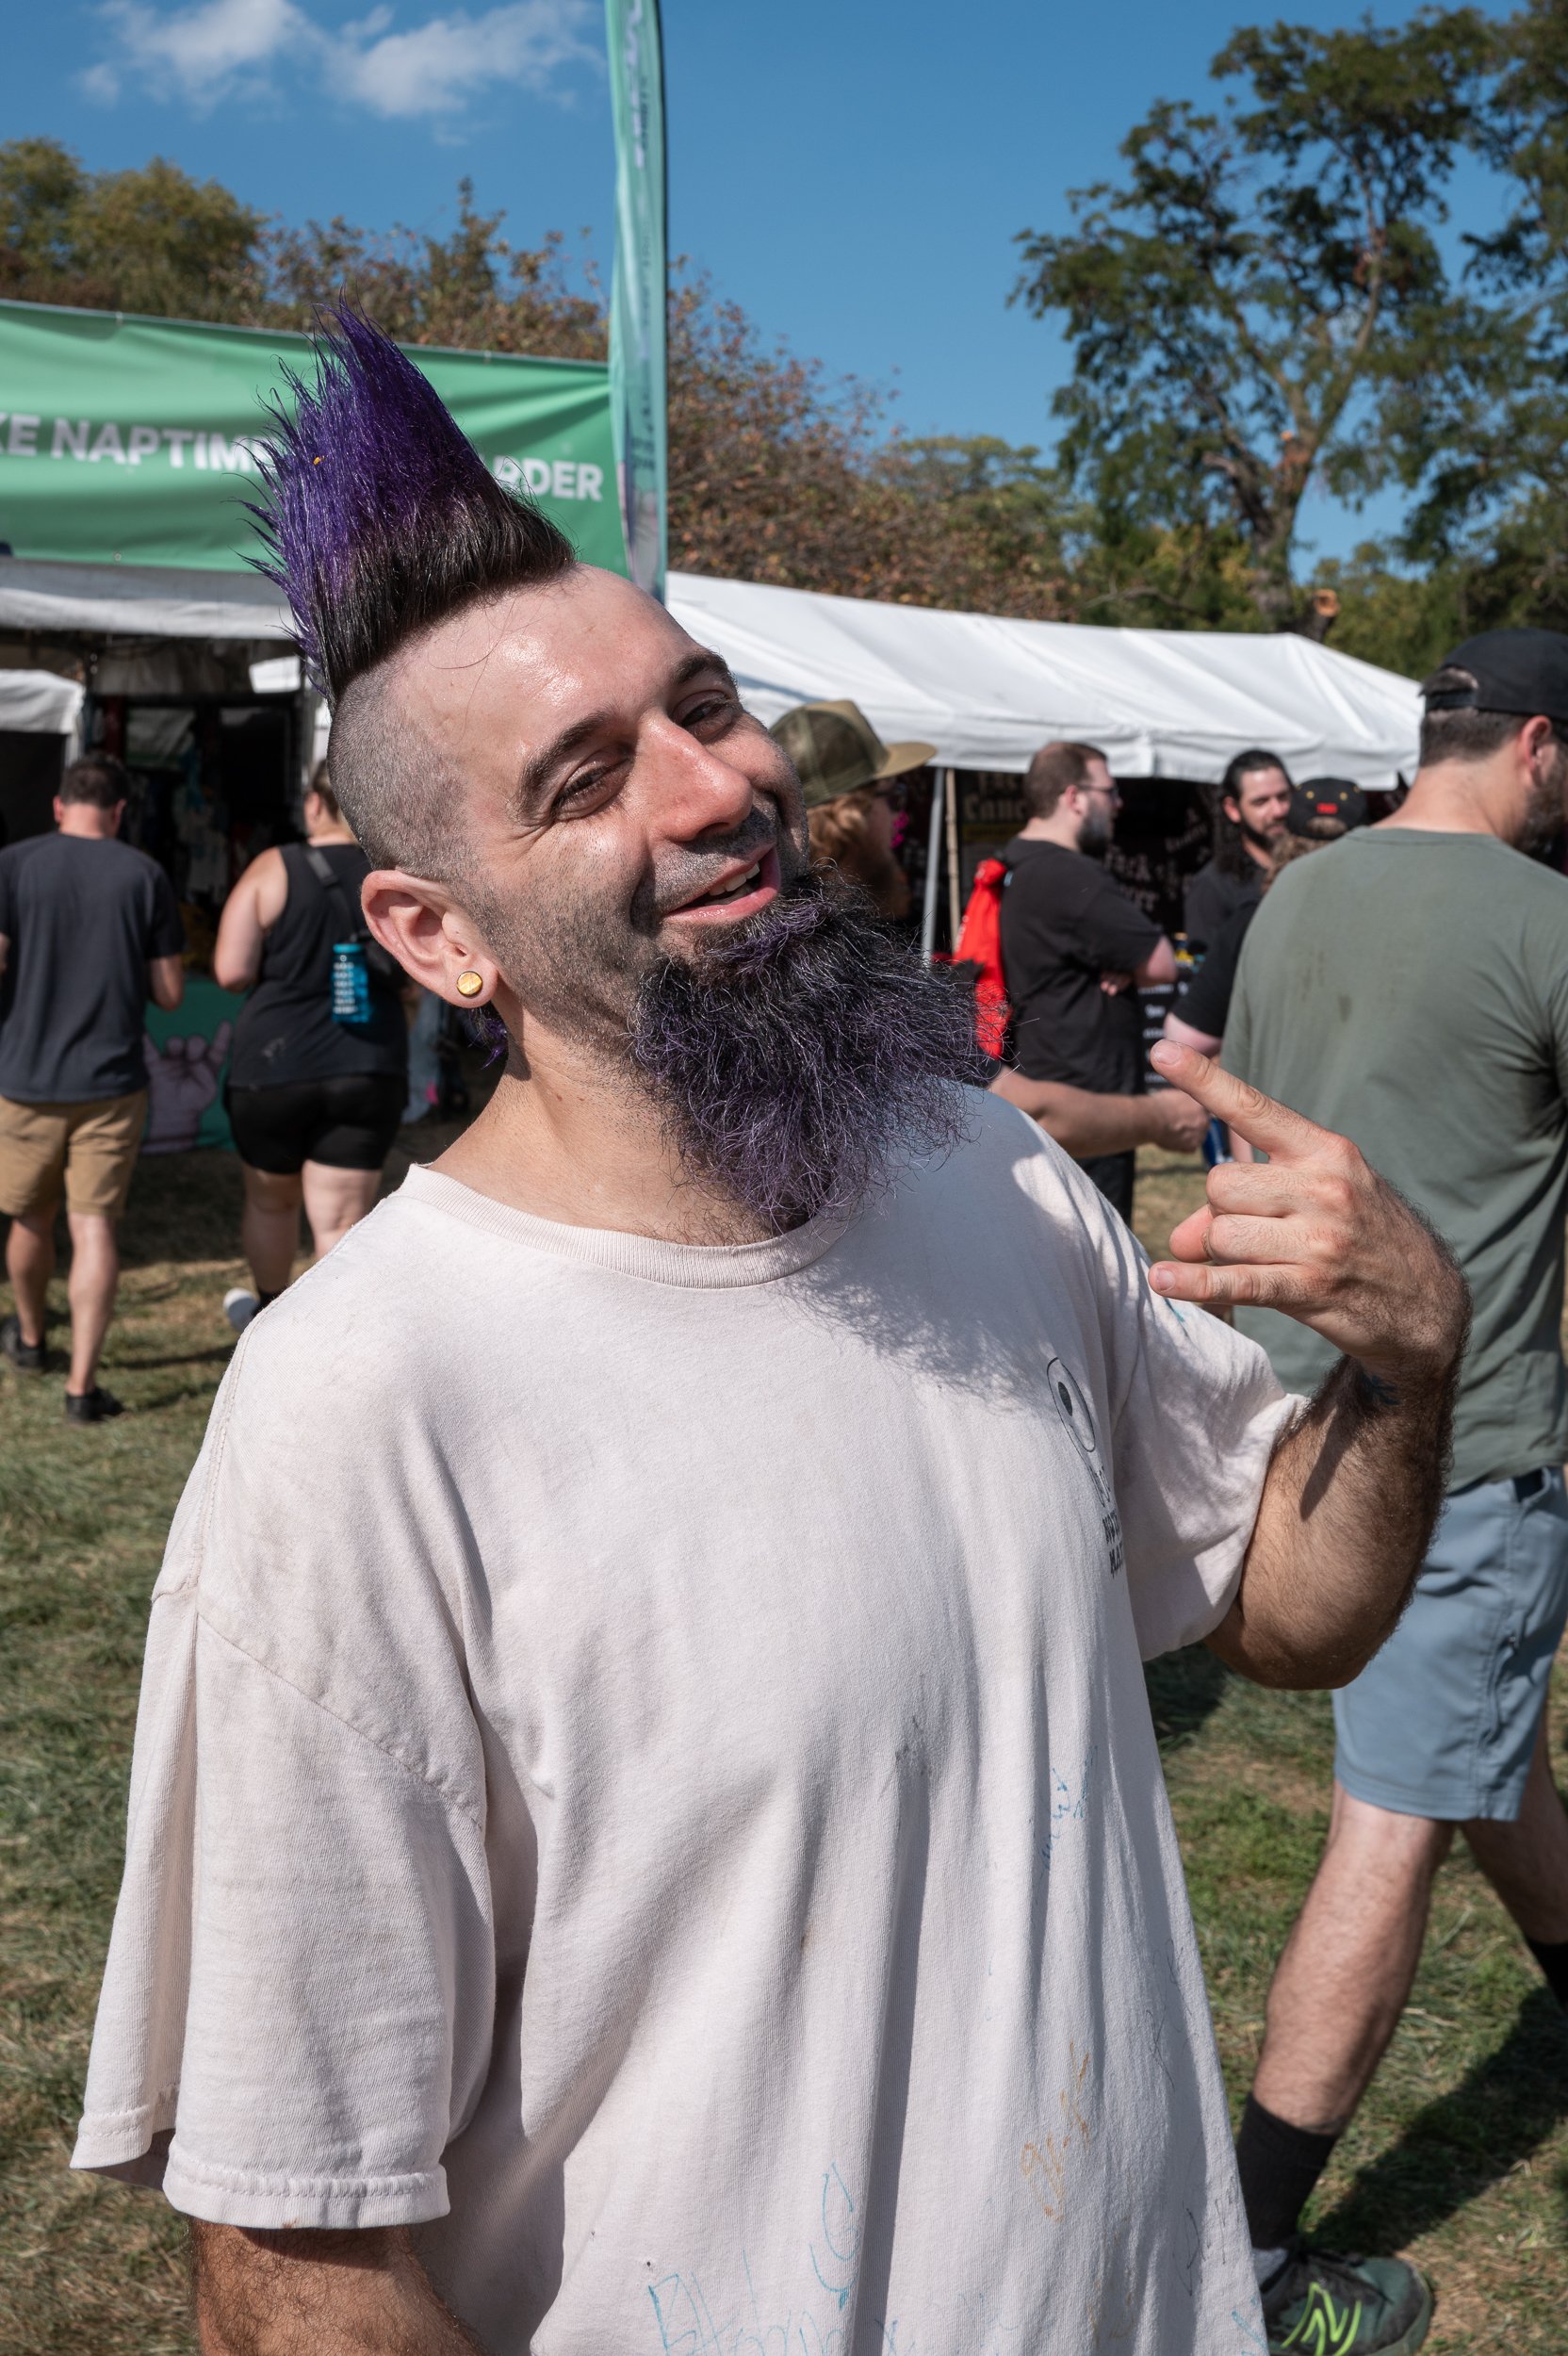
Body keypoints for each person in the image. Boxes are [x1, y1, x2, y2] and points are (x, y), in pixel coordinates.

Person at [72, 311, 1467, 2356]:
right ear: (435, 933)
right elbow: (301, 2264)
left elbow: (1278, 1597)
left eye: (702, 703)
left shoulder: (984, 1170)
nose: (720, 785)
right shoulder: (367, 1401)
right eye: (583, 778)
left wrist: (1408, 1363)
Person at [1221, 628, 1568, 2350]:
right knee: (1390, 1824)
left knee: (1472, 1754)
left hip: (1273, 1446)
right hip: (1456, 1447)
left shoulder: (1290, 894)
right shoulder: (1545, 922)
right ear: (1533, 748)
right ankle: (1244, 2261)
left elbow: (1240, 1135)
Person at [0, 751, 185, 1421]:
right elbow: (168, 993)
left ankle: (27, 1336)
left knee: (28, 1217)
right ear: (119, 811)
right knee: (94, 1227)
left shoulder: (14, 865)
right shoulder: (145, 875)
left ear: (58, 806)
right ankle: (81, 1388)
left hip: (25, 1077)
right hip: (110, 1080)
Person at [212, 762, 408, 1331]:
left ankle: (270, 1318)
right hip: (368, 1062)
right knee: (341, 1219)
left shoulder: (273, 868)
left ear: (316, 805)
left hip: (273, 1064)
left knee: (271, 1202)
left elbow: (229, 970)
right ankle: (330, 1337)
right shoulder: (390, 875)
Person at [997, 740, 1177, 1222]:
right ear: (1074, 797)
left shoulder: (1014, 861)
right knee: (1099, 1255)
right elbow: (1161, 962)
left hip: (1044, 1074)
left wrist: (1115, 957)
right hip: (1092, 1097)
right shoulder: (1070, 874)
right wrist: (1127, 960)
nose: (1118, 803)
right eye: (1110, 790)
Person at [1166, 781, 1370, 1058]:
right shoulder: (1394, 920)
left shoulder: (1255, 919)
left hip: (1274, 1094)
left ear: (1287, 843)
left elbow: (1184, 1039)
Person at [769, 697, 933, 919]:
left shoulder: (782, 916)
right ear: (851, 813)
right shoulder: (806, 941)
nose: (898, 816)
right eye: (894, 797)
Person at [1184, 749, 1293, 955]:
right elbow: (1209, 975)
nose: (1278, 811)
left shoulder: (1311, 869)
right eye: (1261, 802)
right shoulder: (1214, 886)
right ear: (1233, 809)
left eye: (1283, 797)